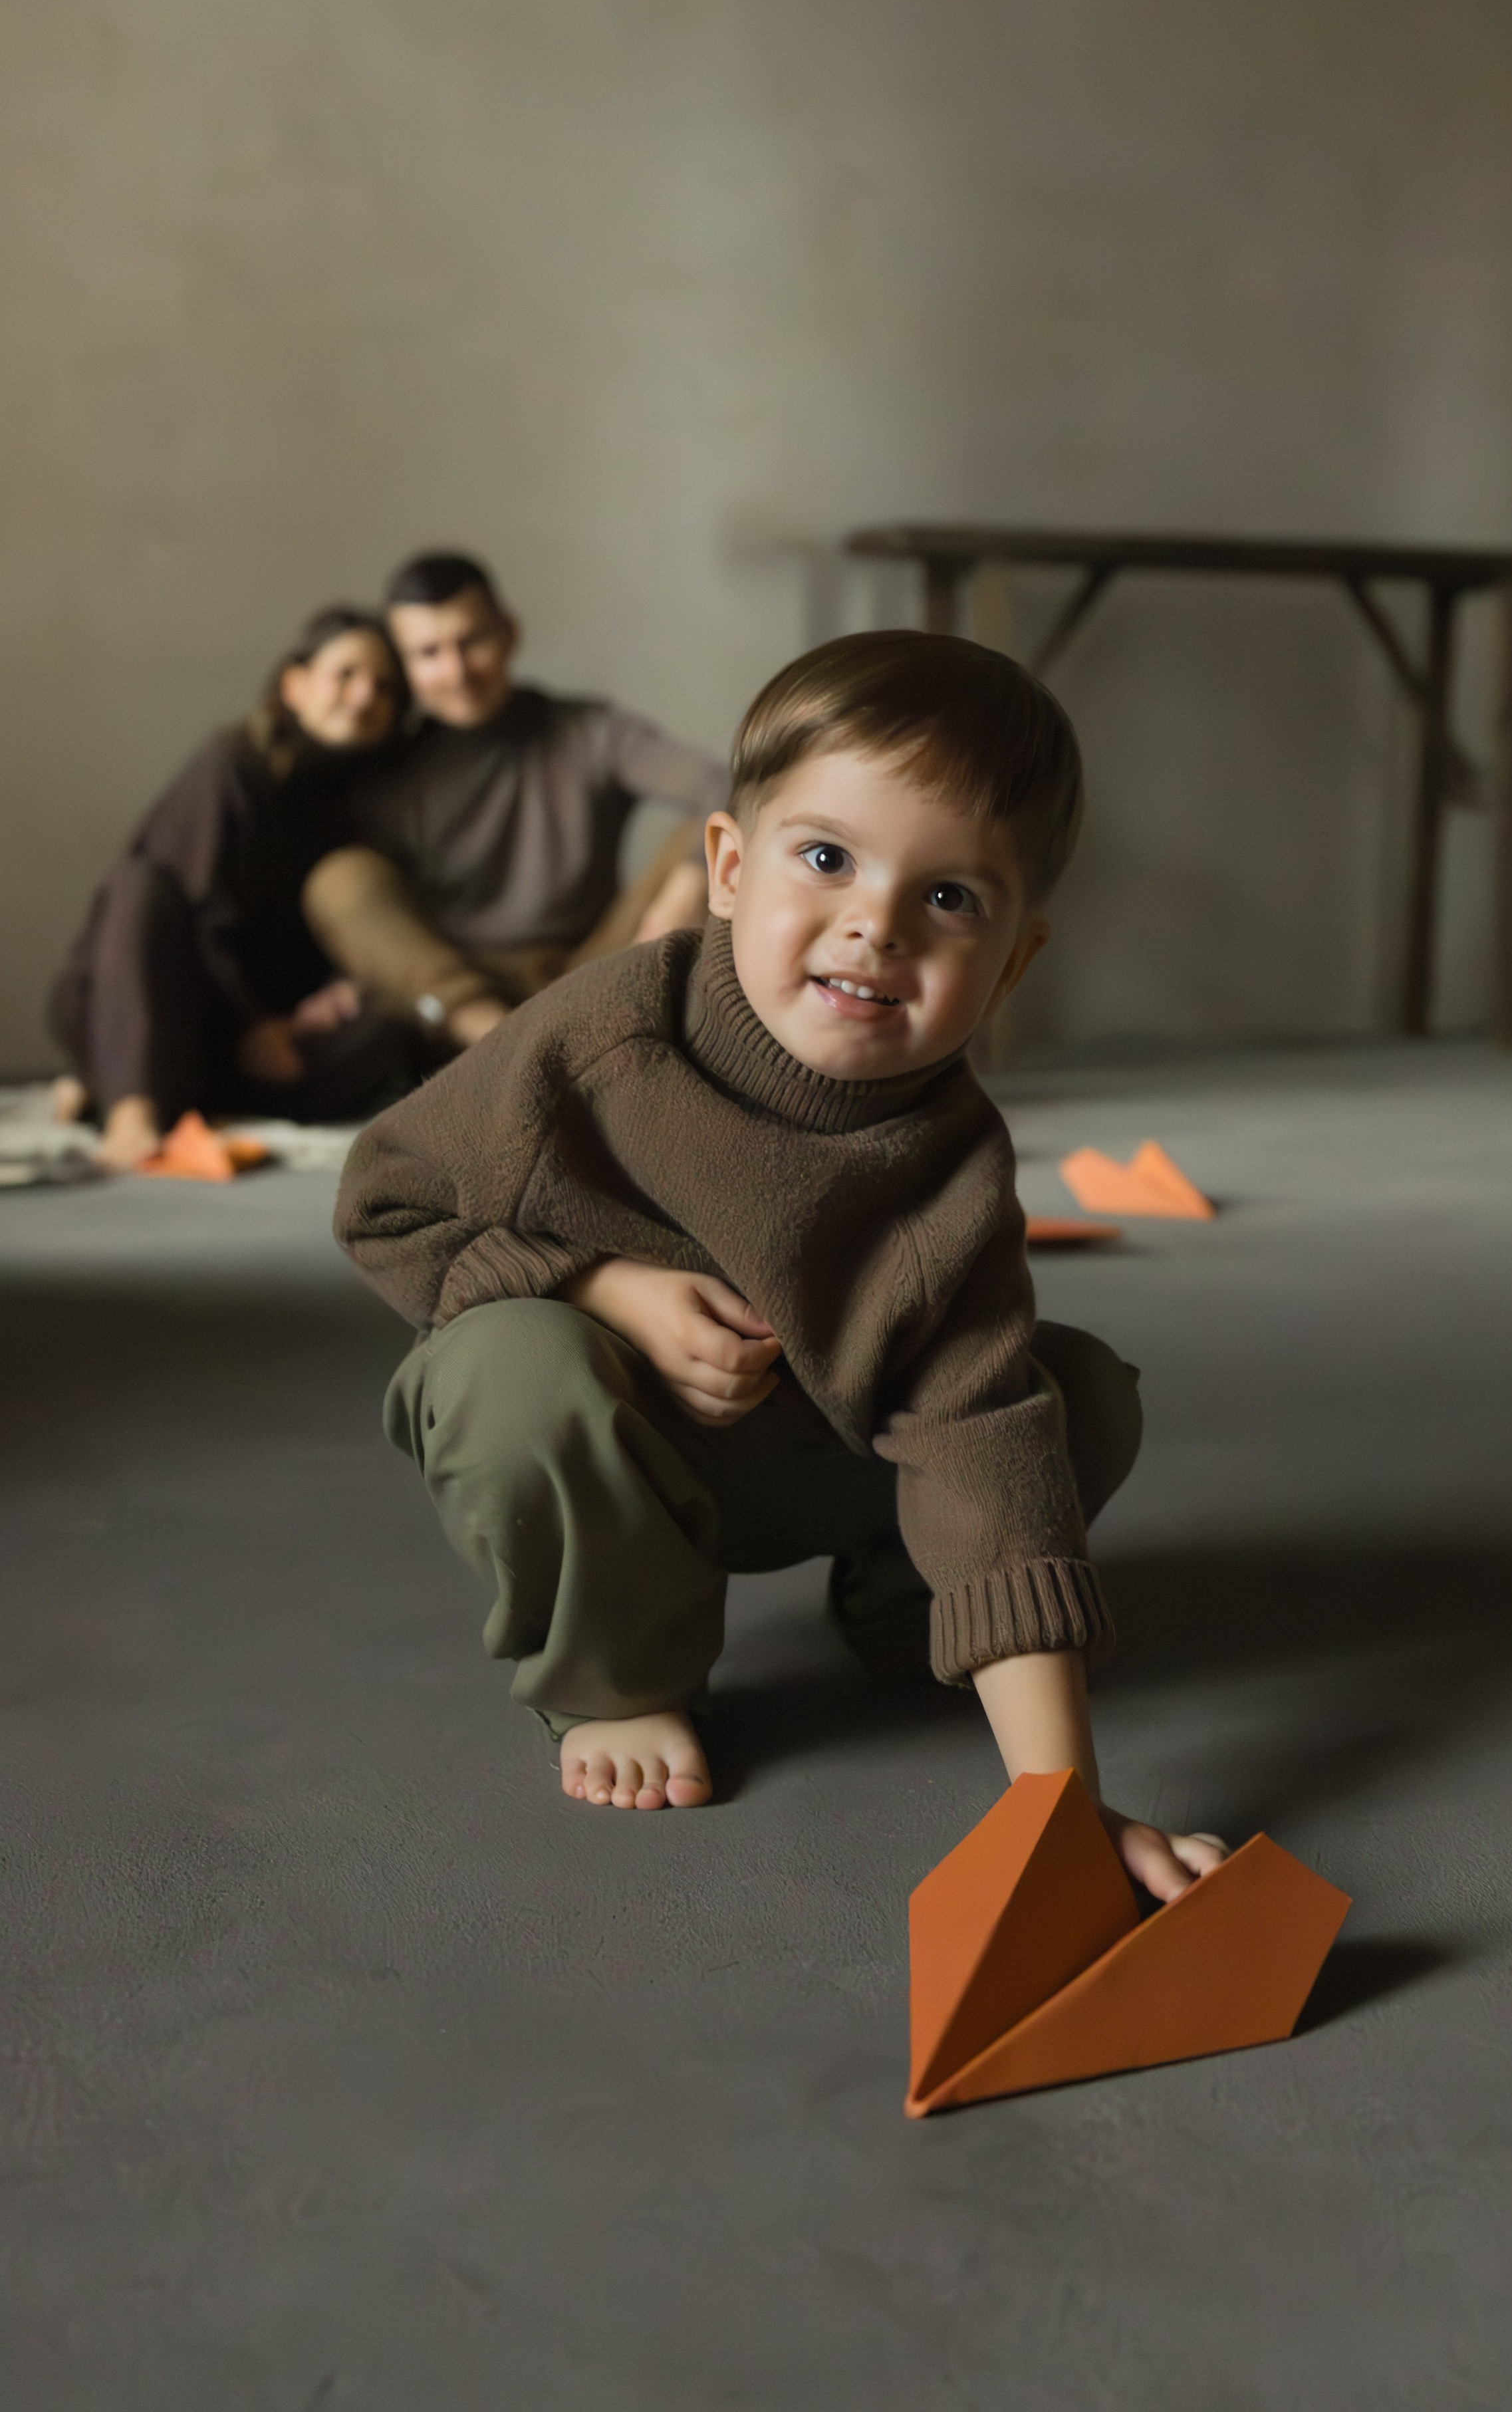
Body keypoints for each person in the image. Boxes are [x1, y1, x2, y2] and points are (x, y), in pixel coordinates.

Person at [334, 630, 1225, 1903]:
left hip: (831, 1455)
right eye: (827, 859)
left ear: (1016, 957)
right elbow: (386, 1200)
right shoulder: (598, 1037)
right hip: (622, 1452)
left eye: (952, 898)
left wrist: (1060, 1808)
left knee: (1071, 1393)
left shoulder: (952, 1161)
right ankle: (619, 1680)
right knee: (507, 1366)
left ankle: (915, 1617)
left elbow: (977, 1431)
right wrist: (600, 1288)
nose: (875, 925)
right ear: (731, 869)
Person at [51, 607, 430, 1169]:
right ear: (295, 686)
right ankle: (132, 1107)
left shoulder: (369, 801)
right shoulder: (233, 763)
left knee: (395, 1029)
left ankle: (126, 1090)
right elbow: (195, 914)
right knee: (143, 888)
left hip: (262, 1027)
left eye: (384, 686)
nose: (364, 695)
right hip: (166, 1000)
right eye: (345, 675)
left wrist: (337, 988)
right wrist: (251, 1022)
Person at [303, 551, 727, 1051]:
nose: (457, 671)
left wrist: (685, 890)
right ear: (406, 669)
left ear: (509, 632)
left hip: (590, 969)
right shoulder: (391, 769)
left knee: (714, 833)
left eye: (472, 641)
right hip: (465, 994)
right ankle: (507, 1049)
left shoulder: (591, 732)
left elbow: (726, 782)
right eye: (429, 653)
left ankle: (543, 1049)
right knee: (340, 878)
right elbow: (379, 918)